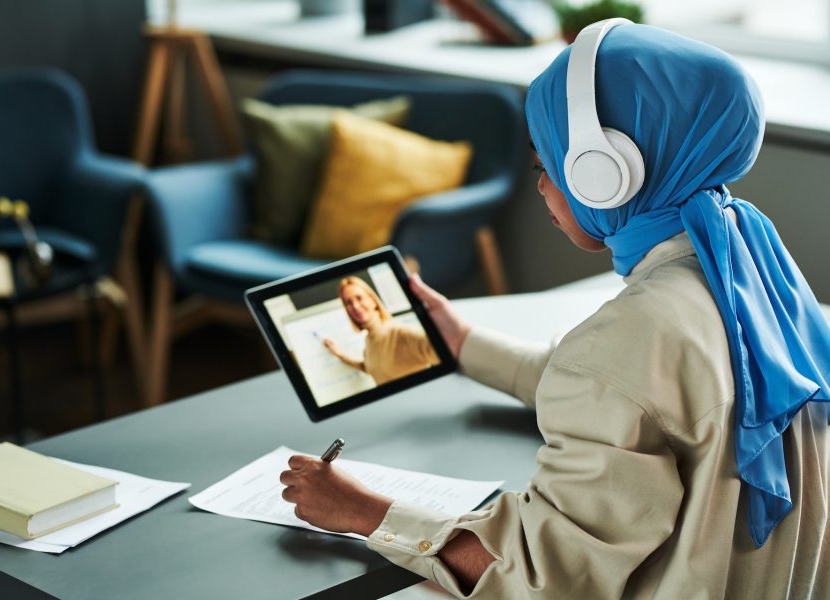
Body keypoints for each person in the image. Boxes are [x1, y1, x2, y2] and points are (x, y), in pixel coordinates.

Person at [279, 22, 830, 598]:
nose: (541, 185)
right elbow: (644, 394)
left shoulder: (629, 337)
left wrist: (363, 511)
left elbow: (538, 577)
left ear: (606, 174)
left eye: (549, 165)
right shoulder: (755, 269)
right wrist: (463, 341)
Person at [323, 276, 440, 385]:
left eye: (359, 298)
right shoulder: (368, 343)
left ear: (373, 300)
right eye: (348, 302)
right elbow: (368, 367)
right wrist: (339, 355)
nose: (356, 306)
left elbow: (439, 350)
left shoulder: (400, 332)